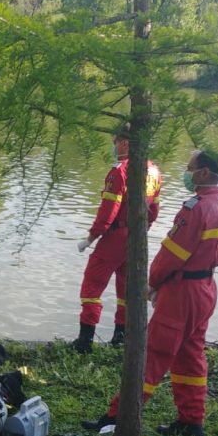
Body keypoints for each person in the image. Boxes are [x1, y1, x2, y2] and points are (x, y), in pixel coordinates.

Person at [83, 148, 218, 436]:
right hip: (205, 289)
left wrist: (151, 283)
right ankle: (192, 422)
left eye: (190, 167)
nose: (186, 172)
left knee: (151, 355)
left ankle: (116, 417)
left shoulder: (196, 208)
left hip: (181, 292)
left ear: (203, 173)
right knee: (191, 357)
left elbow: (171, 254)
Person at [71, 124, 162, 352]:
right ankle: (120, 337)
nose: (114, 147)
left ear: (125, 143)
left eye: (115, 142)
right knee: (126, 287)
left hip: (116, 236)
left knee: (92, 285)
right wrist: (141, 230)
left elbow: (108, 211)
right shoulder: (153, 171)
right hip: (137, 236)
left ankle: (85, 341)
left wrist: (91, 237)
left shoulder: (120, 171)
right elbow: (155, 211)